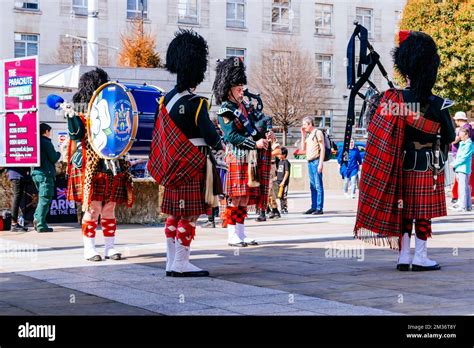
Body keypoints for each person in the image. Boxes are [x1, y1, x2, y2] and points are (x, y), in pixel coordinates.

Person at [354, 30, 456, 272]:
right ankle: (420, 257)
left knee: (404, 211)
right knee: (422, 213)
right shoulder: (438, 103)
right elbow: (451, 136)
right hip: (427, 165)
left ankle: (403, 256)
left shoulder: (392, 99)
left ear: (405, 69)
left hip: (399, 164)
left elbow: (377, 131)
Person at [148, 29, 223, 277]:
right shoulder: (196, 102)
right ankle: (181, 263)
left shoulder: (165, 100)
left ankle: (171, 262)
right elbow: (210, 135)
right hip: (193, 161)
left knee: (173, 214)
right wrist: (219, 145)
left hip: (171, 163)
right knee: (189, 215)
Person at [66, 68, 134, 261]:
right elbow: (76, 135)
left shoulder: (112, 106)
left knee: (109, 207)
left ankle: (109, 248)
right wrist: (71, 116)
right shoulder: (79, 110)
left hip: (112, 162)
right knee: (93, 207)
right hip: (90, 163)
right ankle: (89, 248)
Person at [214, 57, 274, 247]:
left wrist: (266, 134)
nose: (242, 91)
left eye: (242, 88)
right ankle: (232, 234)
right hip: (236, 156)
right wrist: (254, 144)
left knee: (246, 196)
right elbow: (231, 136)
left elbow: (255, 128)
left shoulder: (244, 107)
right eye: (238, 88)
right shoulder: (225, 111)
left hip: (250, 158)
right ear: (228, 89)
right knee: (236, 196)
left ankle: (241, 232)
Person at [32, 123, 61, 233]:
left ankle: (36, 218)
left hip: (36, 173)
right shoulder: (46, 142)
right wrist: (59, 152)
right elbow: (53, 158)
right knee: (45, 199)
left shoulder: (35, 141)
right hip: (45, 174)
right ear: (46, 132)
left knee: (42, 198)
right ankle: (40, 224)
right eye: (50, 132)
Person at [300, 116, 325, 215]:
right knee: (313, 186)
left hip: (316, 161)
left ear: (310, 124)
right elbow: (302, 148)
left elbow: (322, 148)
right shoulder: (309, 135)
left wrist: (320, 163)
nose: (303, 127)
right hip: (310, 162)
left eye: (305, 125)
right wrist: (303, 135)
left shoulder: (317, 133)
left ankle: (319, 208)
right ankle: (313, 206)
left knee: (318, 186)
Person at [450, 111, 474, 204]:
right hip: (464, 158)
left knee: (462, 182)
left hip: (461, 159)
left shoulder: (464, 129)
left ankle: (461, 203)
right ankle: (465, 203)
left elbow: (455, 141)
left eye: (456, 120)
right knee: (465, 182)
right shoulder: (468, 127)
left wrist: (455, 163)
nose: (455, 122)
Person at [6, 167, 31, 232]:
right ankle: (14, 224)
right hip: (17, 175)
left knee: (18, 199)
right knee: (16, 199)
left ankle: (15, 223)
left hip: (19, 175)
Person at [264, 140, 282, 220]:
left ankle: (275, 209)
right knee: (263, 190)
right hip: (260, 165)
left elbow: (278, 150)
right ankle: (266, 209)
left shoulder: (269, 136)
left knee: (269, 190)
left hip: (269, 165)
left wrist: (266, 155)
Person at [276, 147, 291, 214]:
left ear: (284, 155)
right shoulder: (280, 162)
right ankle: (282, 208)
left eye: (279, 154)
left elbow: (287, 172)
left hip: (284, 183)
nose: (278, 155)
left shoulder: (286, 162)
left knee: (284, 196)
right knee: (280, 196)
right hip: (278, 181)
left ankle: (284, 208)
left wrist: (283, 181)